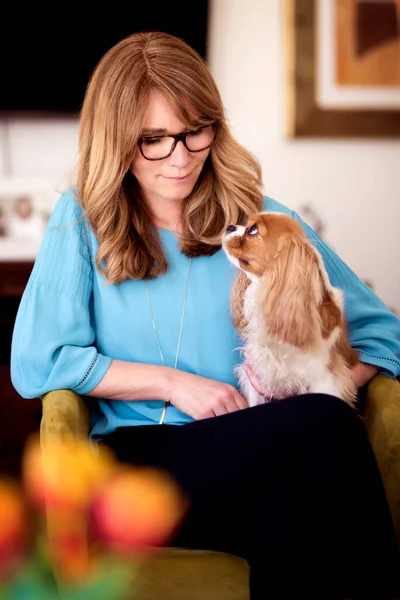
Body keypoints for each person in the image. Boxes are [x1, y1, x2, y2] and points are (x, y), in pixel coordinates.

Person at [10, 31, 400, 599]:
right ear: (115, 140)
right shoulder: (81, 221)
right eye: (154, 140)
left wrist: (312, 386)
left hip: (262, 454)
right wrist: (173, 384)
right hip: (139, 461)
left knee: (290, 508)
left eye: (196, 131)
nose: (181, 157)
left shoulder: (266, 224)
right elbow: (37, 360)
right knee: (326, 429)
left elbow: (382, 334)